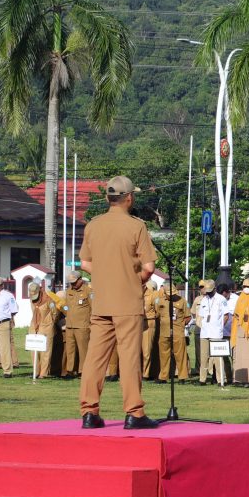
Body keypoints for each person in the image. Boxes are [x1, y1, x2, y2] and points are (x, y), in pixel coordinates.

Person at [77, 176, 159, 429]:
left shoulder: (93, 225)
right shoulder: (136, 226)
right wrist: (136, 280)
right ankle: (134, 412)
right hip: (127, 302)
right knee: (129, 358)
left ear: (107, 198)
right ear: (129, 198)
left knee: (95, 359)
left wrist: (105, 276)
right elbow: (149, 266)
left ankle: (89, 412)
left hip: (101, 301)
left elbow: (85, 263)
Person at [154, 285, 190, 382]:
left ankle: (182, 376)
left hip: (178, 332)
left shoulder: (182, 301)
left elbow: (188, 316)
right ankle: (163, 377)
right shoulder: (159, 301)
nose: (172, 296)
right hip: (164, 332)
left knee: (180, 355)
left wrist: (181, 325)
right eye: (170, 294)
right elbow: (157, 314)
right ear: (165, 293)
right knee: (164, 355)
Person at [59, 272, 93, 378]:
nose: (72, 285)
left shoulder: (88, 291)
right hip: (70, 325)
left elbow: (94, 308)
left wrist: (91, 322)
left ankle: (83, 371)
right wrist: (63, 308)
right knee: (70, 349)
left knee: (83, 350)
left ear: (80, 280)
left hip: (82, 325)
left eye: (74, 282)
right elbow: (67, 307)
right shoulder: (69, 291)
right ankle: (70, 370)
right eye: (71, 283)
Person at [198, 282, 231, 386]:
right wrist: (201, 325)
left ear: (214, 289)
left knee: (218, 357)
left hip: (216, 332)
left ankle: (221, 379)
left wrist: (220, 327)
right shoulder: (204, 299)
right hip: (205, 332)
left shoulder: (221, 299)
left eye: (210, 291)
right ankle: (202, 379)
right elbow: (201, 315)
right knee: (203, 357)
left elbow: (226, 315)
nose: (208, 293)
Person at [27, 281, 59, 378]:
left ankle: (43, 373)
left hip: (46, 327)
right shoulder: (32, 299)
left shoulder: (49, 299)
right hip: (34, 327)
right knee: (34, 350)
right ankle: (35, 372)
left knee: (45, 351)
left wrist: (50, 323)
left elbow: (55, 313)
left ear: (40, 290)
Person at [141, 281, 160, 380]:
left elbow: (158, 312)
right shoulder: (135, 293)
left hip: (148, 322)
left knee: (146, 351)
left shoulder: (153, 295)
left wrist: (151, 317)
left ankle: (146, 374)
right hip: (136, 324)